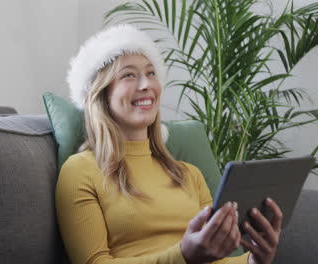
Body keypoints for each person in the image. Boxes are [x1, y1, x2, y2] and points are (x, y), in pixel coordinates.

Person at [55, 24, 283, 264]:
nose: (146, 85)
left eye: (151, 73)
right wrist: (183, 256)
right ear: (101, 94)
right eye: (129, 75)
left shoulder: (189, 174)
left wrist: (255, 259)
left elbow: (215, 261)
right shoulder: (80, 170)